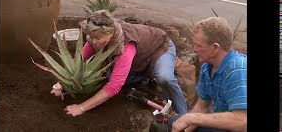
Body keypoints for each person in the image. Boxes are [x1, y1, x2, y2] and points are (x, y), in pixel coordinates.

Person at [51, 10, 188, 117]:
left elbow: (114, 87)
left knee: (164, 77)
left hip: (159, 47)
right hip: (139, 57)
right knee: (110, 76)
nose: (94, 42)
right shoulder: (95, 38)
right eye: (92, 37)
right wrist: (59, 85)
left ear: (111, 32)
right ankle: (144, 77)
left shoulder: (125, 47)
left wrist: (81, 107)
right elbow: (76, 63)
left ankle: (183, 115)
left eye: (98, 38)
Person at [167, 17, 247, 132]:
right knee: (175, 123)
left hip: (239, 124)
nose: (194, 49)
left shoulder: (237, 69)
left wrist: (192, 118)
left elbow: (242, 121)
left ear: (215, 47)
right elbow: (201, 107)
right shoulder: (207, 68)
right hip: (228, 121)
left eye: (198, 45)